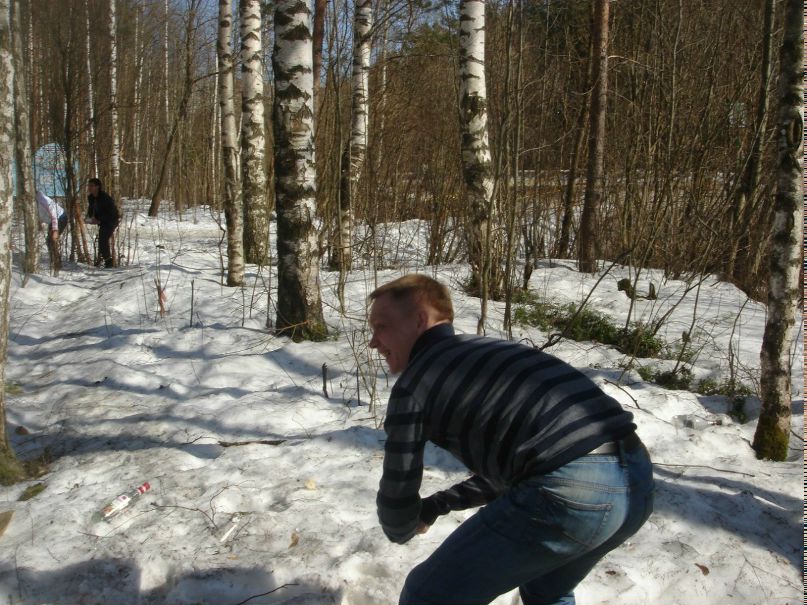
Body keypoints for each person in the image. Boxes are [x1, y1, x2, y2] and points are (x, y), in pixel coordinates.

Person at [368, 274, 654, 605]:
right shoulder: (491, 352)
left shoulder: (416, 383)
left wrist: (402, 526)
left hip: (576, 492)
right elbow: (531, 464)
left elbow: (397, 495)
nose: (374, 341)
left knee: (427, 595)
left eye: (382, 326)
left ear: (420, 319)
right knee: (548, 590)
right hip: (637, 480)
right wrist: (438, 505)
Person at [86, 177, 120, 268]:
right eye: (88, 185)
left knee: (103, 239)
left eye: (91, 186)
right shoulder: (91, 197)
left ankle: (109, 262)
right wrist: (90, 218)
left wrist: (99, 220)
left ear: (97, 187)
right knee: (102, 241)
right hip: (102, 221)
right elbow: (91, 210)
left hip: (111, 220)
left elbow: (112, 213)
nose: (89, 187)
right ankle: (107, 260)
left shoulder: (105, 198)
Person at [35, 190, 68, 271]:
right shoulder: (33, 201)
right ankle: (54, 262)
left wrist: (55, 231)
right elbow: (41, 213)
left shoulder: (42, 199)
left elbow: (53, 215)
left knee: (51, 240)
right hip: (52, 221)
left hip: (60, 218)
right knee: (49, 241)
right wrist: (40, 223)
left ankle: (56, 264)